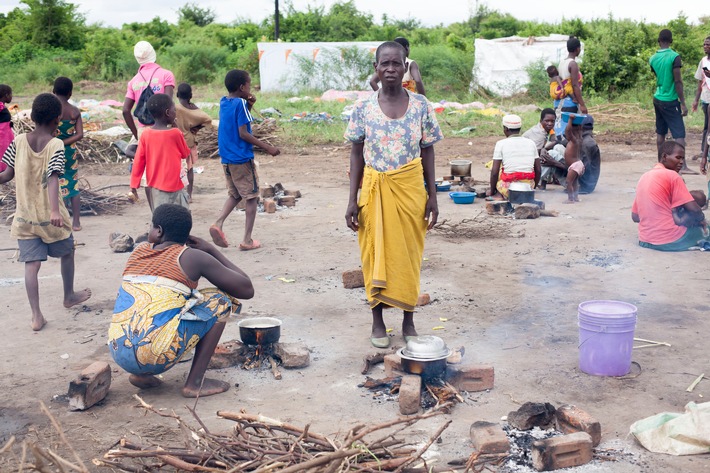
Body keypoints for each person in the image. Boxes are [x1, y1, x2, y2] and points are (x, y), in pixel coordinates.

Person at [346, 41, 442, 348]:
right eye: (384, 64)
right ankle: (377, 322)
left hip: (411, 190)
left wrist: (433, 195)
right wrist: (352, 198)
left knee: (410, 256)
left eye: (396, 64)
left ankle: (408, 320)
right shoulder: (362, 108)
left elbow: (428, 152)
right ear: (376, 69)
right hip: (373, 191)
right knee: (372, 254)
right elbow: (356, 154)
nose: (390, 69)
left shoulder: (422, 106)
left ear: (405, 67)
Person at [109, 204, 254, 397]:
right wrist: (211, 250)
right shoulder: (192, 258)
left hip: (119, 351)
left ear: (159, 231)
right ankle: (194, 383)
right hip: (156, 357)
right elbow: (246, 288)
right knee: (220, 300)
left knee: (149, 308)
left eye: (151, 227)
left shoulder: (138, 252)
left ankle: (141, 375)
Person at [0, 93, 91, 331]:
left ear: (32, 116)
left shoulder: (18, 140)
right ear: (57, 119)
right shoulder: (55, 144)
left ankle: (36, 316)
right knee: (67, 252)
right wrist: (54, 211)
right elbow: (53, 177)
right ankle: (69, 295)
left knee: (31, 266)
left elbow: (6, 175)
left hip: (24, 218)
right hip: (52, 218)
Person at [210, 69, 280, 251]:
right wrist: (267, 147)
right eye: (249, 84)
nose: (251, 87)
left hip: (226, 158)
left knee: (235, 194)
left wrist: (249, 105)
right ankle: (247, 240)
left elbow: (238, 121)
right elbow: (243, 132)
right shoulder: (240, 104)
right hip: (241, 158)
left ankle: (218, 223)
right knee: (251, 197)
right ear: (242, 87)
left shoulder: (225, 102)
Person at [122, 41, 176, 209]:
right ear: (153, 54)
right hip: (163, 130)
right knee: (168, 169)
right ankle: (169, 209)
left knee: (148, 174)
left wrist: (136, 133)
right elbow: (168, 104)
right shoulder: (166, 75)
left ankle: (155, 212)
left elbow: (125, 110)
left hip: (144, 131)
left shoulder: (133, 81)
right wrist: (174, 126)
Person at [632, 141, 705, 251]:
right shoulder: (673, 176)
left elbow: (635, 216)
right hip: (669, 240)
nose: (681, 162)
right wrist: (700, 220)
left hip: (645, 240)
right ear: (664, 157)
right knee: (705, 230)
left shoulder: (644, 176)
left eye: (683, 159)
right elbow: (695, 211)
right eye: (678, 158)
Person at [130, 94, 190, 211]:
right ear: (168, 112)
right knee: (180, 219)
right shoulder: (175, 133)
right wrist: (177, 128)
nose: (175, 112)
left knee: (160, 219)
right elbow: (185, 153)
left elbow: (139, 161)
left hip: (156, 188)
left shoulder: (146, 134)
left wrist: (134, 185)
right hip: (176, 186)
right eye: (174, 110)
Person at [649, 29, 694, 174]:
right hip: (670, 100)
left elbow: (658, 76)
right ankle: (683, 165)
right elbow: (677, 81)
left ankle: (660, 164)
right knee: (679, 134)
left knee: (660, 132)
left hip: (658, 98)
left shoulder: (653, 58)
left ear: (658, 41)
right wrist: (683, 102)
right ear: (671, 40)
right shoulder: (675, 57)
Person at [53, 77, 83, 232]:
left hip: (53, 151)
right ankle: (76, 222)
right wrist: (65, 143)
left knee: (55, 183)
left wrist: (57, 142)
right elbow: (80, 135)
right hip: (70, 153)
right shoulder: (74, 111)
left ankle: (61, 219)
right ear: (70, 93)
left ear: (53, 92)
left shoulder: (52, 111)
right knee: (73, 184)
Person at [487, 114, 541, 201]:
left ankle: (498, 194)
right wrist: (532, 188)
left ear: (506, 129)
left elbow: (494, 172)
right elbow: (538, 170)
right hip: (527, 187)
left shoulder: (501, 143)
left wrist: (492, 191)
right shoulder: (531, 143)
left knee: (495, 167)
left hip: (508, 189)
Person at [175, 83, 212, 202]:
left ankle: (178, 193)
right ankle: (189, 194)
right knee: (189, 169)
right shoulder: (193, 108)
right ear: (190, 95)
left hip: (176, 142)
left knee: (176, 168)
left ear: (177, 95)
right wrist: (196, 128)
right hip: (189, 141)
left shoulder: (175, 108)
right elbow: (207, 119)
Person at [552, 37, 587, 138]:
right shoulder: (573, 64)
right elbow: (575, 85)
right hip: (569, 102)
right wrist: (582, 105)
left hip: (559, 102)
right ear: (577, 49)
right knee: (569, 132)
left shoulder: (562, 62)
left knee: (560, 130)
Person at [523, 108, 566, 190]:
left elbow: (555, 140)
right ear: (541, 120)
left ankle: (544, 182)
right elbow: (535, 155)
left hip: (532, 160)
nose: (550, 123)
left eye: (552, 121)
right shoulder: (538, 134)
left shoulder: (547, 129)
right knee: (549, 156)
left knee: (557, 148)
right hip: (526, 165)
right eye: (547, 121)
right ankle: (538, 182)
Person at [692, 36, 710, 161]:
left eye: (708, 44)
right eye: (704, 44)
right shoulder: (703, 61)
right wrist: (696, 100)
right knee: (707, 125)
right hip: (706, 97)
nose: (705, 46)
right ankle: (704, 151)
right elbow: (700, 81)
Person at [563, 116, 585, 203]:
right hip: (578, 164)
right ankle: (575, 197)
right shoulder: (579, 139)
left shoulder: (574, 141)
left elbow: (567, 131)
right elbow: (575, 129)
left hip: (575, 165)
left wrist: (570, 120)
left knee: (569, 182)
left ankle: (570, 199)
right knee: (574, 182)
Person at [578, 115, 601, 194]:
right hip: (590, 183)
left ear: (580, 127)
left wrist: (555, 163)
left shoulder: (586, 143)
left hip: (587, 185)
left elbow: (583, 167)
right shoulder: (587, 140)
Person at [0, 84, 13, 172]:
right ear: (6, 95)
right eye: (11, 94)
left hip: (5, 137)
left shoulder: (2, 107)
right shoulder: (0, 107)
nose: (12, 97)